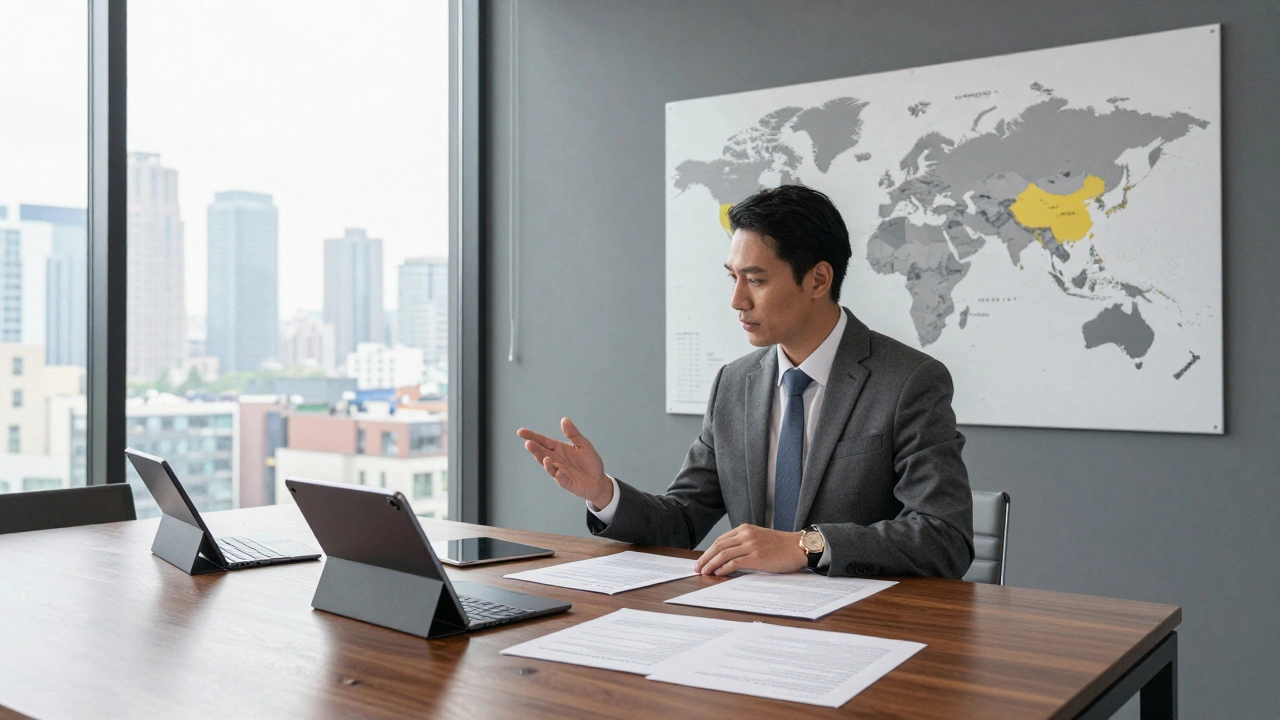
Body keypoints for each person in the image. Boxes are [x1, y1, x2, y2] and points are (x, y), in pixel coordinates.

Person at [517, 185, 973, 579]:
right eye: (733, 278)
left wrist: (805, 546)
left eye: (754, 280)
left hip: (861, 624)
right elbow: (682, 521)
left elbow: (945, 535)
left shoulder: (909, 381)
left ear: (818, 279)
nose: (737, 300)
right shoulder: (734, 384)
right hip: (749, 618)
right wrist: (603, 493)